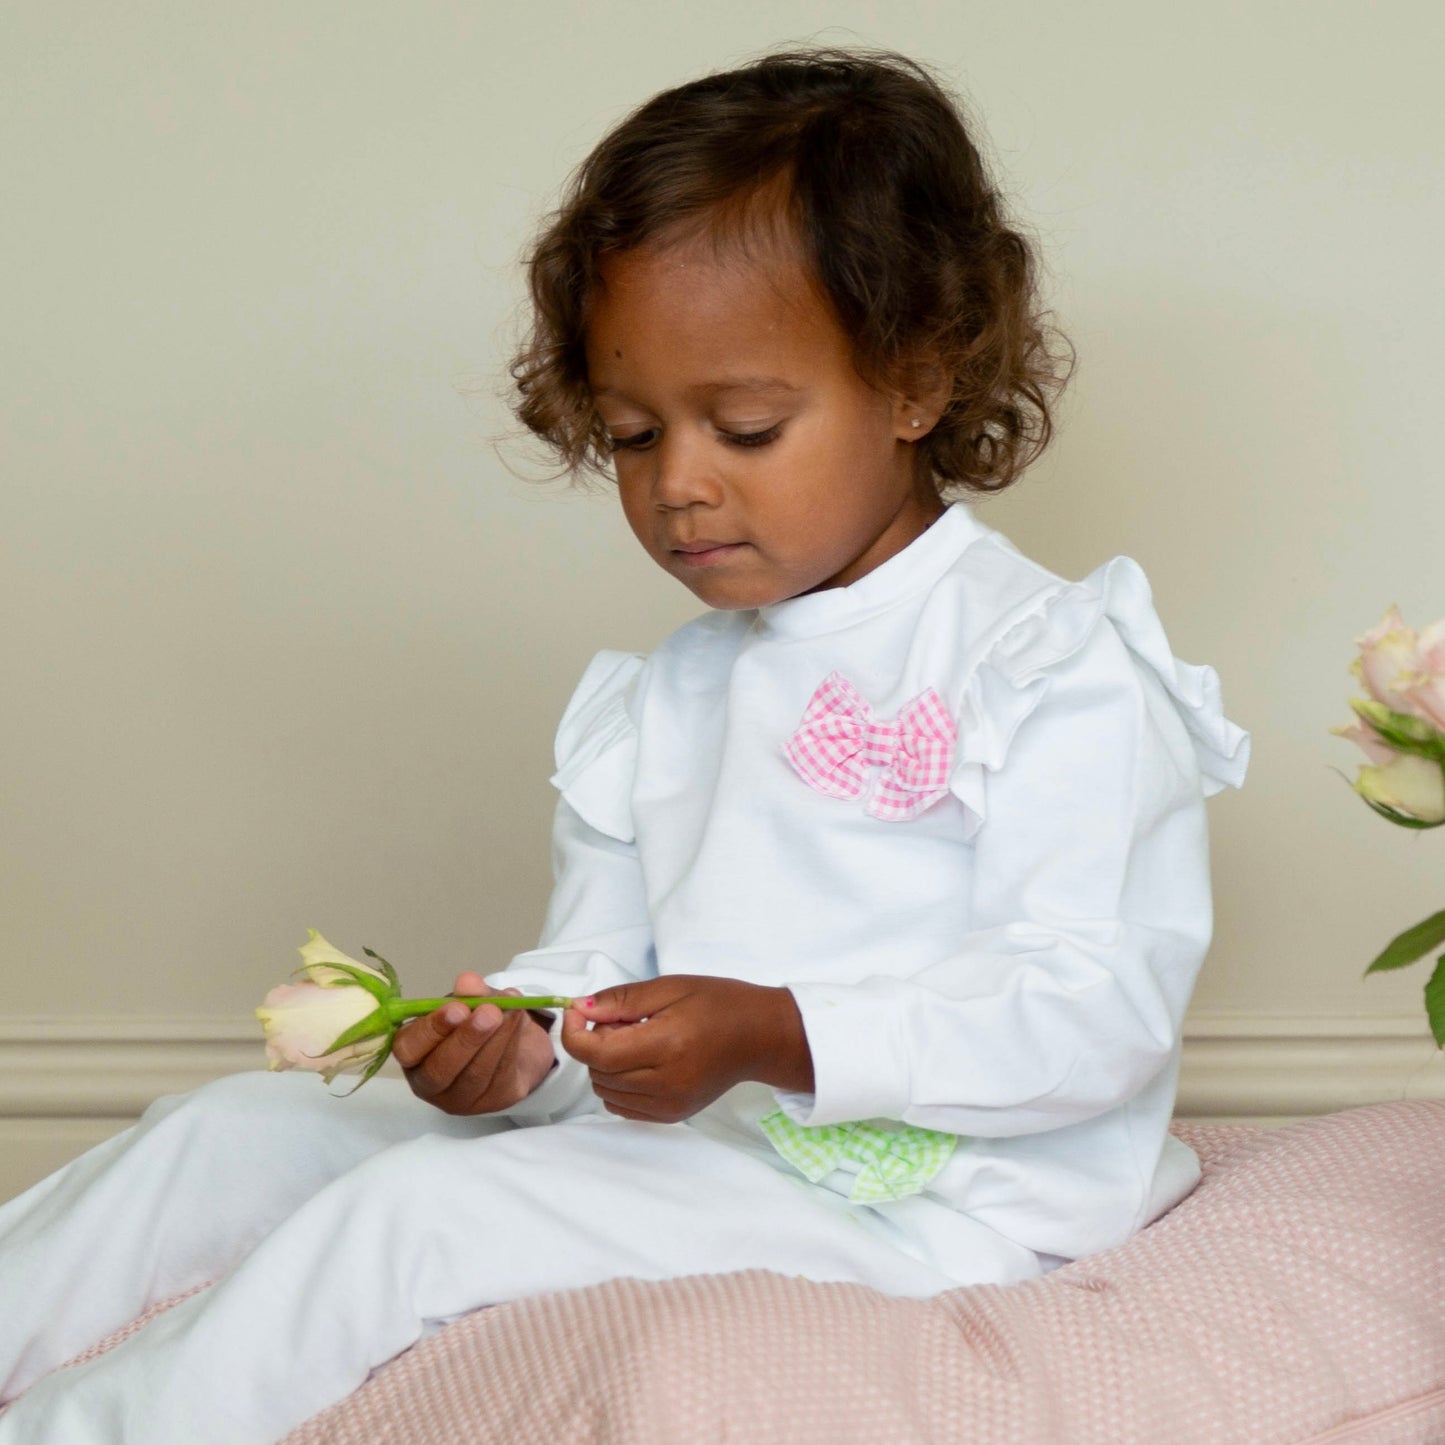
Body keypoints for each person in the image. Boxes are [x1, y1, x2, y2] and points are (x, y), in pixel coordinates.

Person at [0, 47, 1250, 1445]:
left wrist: (776, 1031)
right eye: (635, 434)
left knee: (418, 1215)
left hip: (916, 1200)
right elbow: (605, 960)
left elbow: (1091, 1011)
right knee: (223, 1133)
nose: (678, 486)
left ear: (914, 380)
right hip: (674, 1149)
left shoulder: (1051, 664)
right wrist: (521, 1041)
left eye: (747, 425)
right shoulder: (663, 694)